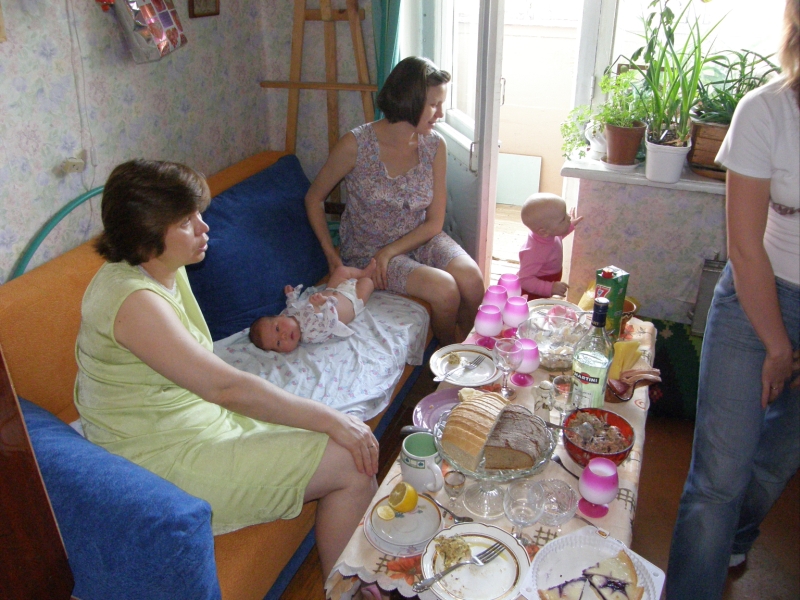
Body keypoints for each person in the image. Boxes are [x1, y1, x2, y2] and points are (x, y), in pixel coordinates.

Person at [74, 159, 379, 581]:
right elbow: (225, 388)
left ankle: (357, 583)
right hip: (159, 459)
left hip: (195, 420)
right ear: (146, 234)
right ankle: (347, 589)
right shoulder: (133, 301)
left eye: (197, 215)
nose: (204, 227)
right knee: (351, 459)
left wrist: (329, 420)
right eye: (186, 222)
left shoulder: (162, 267)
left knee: (341, 439)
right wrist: (332, 419)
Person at [666, 3, 800, 598]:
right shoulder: (766, 110)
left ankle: (738, 536)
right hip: (758, 300)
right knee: (718, 480)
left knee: (775, 459)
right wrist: (778, 347)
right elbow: (745, 250)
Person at [304, 56, 485, 346]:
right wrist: (331, 255)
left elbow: (434, 222)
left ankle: (465, 346)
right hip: (370, 252)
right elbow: (314, 198)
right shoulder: (356, 144)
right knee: (446, 290)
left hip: (419, 237)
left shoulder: (434, 145)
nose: (440, 114)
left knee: (473, 280)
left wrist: (392, 250)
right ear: (410, 100)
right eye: (433, 104)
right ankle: (446, 353)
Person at [249, 261, 376, 353]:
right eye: (278, 343)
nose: (283, 336)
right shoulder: (310, 335)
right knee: (367, 283)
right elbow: (330, 324)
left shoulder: (290, 312)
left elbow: (292, 304)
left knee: (341, 270)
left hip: (332, 288)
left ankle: (363, 272)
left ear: (281, 316)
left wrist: (291, 296)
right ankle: (367, 277)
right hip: (351, 302)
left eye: (277, 329)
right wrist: (325, 305)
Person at [517, 193, 583, 299]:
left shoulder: (547, 235)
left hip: (546, 283)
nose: (569, 217)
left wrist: (569, 226)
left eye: (565, 214)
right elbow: (524, 280)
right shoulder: (534, 251)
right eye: (563, 219)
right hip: (532, 294)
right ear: (544, 232)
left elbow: (558, 237)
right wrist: (550, 288)